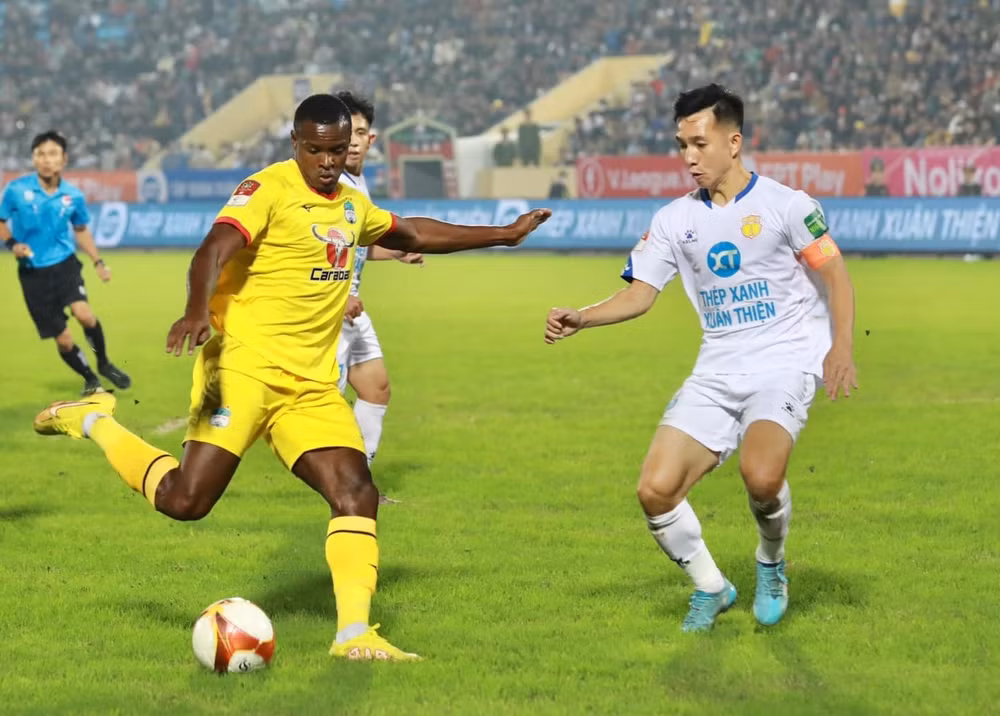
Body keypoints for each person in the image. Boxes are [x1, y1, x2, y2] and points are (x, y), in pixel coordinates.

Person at [33, 94, 551, 661]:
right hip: (240, 369)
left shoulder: (350, 205)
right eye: (315, 150)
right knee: (186, 500)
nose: (327, 162)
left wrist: (503, 234)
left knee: (356, 492)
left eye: (337, 150)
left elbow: (412, 233)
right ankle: (95, 420)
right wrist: (196, 310)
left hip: (309, 385)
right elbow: (212, 250)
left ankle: (354, 635)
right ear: (295, 144)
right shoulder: (267, 190)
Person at [544, 84, 857, 632]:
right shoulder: (673, 220)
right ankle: (712, 587)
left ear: (733, 143)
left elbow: (835, 274)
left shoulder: (787, 205)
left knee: (761, 477)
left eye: (700, 144)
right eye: (682, 145)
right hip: (716, 371)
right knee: (655, 490)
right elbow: (640, 294)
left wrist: (842, 347)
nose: (689, 157)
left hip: (783, 364)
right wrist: (583, 317)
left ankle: (771, 563)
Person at [334, 91, 423, 503]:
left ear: (371, 139)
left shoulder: (357, 182)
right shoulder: (331, 183)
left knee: (376, 388)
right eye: (346, 133)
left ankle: (360, 483)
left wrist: (396, 253)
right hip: (330, 310)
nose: (353, 141)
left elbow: (356, 244)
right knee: (321, 404)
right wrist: (339, 296)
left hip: (352, 307)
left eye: (360, 133)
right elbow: (317, 246)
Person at [0, 131, 132, 395]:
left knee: (85, 314)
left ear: (64, 159)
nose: (46, 160)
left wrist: (97, 261)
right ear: (33, 159)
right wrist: (13, 244)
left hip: (65, 266)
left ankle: (104, 363)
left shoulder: (73, 195)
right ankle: (90, 378)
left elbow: (81, 229)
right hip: (33, 274)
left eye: (52, 154)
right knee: (63, 339)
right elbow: (1, 221)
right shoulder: (16, 190)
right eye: (40, 154)